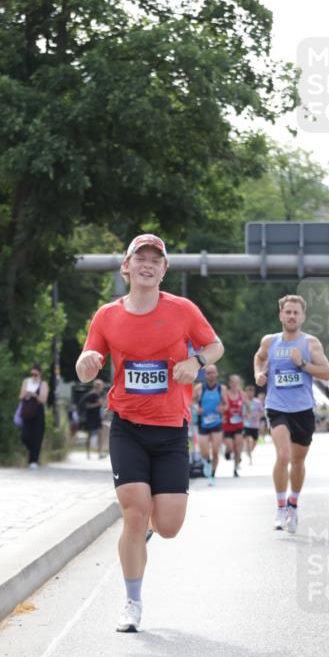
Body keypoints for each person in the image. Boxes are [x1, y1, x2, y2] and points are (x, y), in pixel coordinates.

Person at [75, 233, 223, 632]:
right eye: (140, 258)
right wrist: (86, 363)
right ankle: (132, 602)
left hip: (172, 429)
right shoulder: (107, 315)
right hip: (127, 427)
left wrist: (195, 361)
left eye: (155, 260)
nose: (147, 264)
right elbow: (88, 361)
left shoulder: (182, 310)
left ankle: (148, 534)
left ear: (164, 270)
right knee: (134, 512)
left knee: (169, 526)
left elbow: (215, 346)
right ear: (127, 266)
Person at [253, 295, 329, 533]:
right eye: (288, 312)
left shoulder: (310, 344)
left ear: (302, 317)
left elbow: (327, 373)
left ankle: (293, 505)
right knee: (284, 455)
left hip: (303, 409)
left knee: (297, 461)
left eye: (296, 313)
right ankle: (279, 507)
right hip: (277, 405)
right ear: (281, 315)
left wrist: (303, 365)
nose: (291, 316)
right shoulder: (270, 341)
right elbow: (259, 357)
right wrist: (258, 373)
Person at [193, 364, 227, 485]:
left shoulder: (221, 389)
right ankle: (207, 463)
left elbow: (226, 404)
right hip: (203, 423)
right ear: (205, 375)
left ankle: (212, 475)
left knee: (216, 451)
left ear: (216, 374)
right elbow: (190, 401)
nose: (211, 375)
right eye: (208, 373)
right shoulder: (199, 388)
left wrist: (222, 408)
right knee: (204, 452)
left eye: (213, 372)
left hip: (216, 423)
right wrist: (196, 408)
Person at [18, 363, 49, 468]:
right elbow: (21, 396)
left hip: (38, 412)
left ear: (40, 374)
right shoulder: (26, 382)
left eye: (35, 374)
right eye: (32, 374)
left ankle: (33, 461)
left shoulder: (43, 384)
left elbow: (43, 400)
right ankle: (30, 452)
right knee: (25, 436)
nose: (33, 376)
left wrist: (35, 395)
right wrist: (27, 393)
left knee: (37, 436)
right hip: (27, 410)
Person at [222, 374, 245, 477]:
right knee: (230, 447)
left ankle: (235, 469)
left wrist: (247, 413)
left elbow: (249, 406)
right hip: (227, 425)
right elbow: (220, 406)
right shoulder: (225, 394)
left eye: (237, 382)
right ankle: (227, 452)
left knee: (238, 448)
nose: (235, 384)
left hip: (239, 425)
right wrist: (222, 413)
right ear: (230, 383)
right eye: (233, 382)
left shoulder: (242, 394)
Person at [81, 378, 105, 458]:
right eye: (101, 385)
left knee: (99, 434)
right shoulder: (92, 394)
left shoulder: (96, 394)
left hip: (96, 417)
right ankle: (90, 453)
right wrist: (98, 404)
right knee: (90, 435)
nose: (102, 387)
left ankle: (98, 453)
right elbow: (87, 405)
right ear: (98, 386)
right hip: (91, 417)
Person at [242, 384, 264, 463]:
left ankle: (248, 452)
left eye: (251, 392)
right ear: (246, 393)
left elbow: (262, 412)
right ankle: (249, 456)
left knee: (254, 443)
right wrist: (245, 415)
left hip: (255, 425)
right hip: (246, 424)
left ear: (254, 393)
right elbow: (241, 412)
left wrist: (258, 416)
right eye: (248, 392)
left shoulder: (257, 402)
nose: (250, 394)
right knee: (247, 440)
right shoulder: (244, 402)